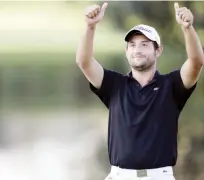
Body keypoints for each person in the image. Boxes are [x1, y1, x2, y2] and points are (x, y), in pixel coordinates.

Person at [76, 2, 204, 180]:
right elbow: (85, 62)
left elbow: (196, 62)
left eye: (144, 44)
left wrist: (188, 28)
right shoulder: (114, 85)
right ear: (126, 51)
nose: (137, 50)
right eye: (132, 45)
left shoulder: (172, 85)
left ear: (158, 50)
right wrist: (90, 27)